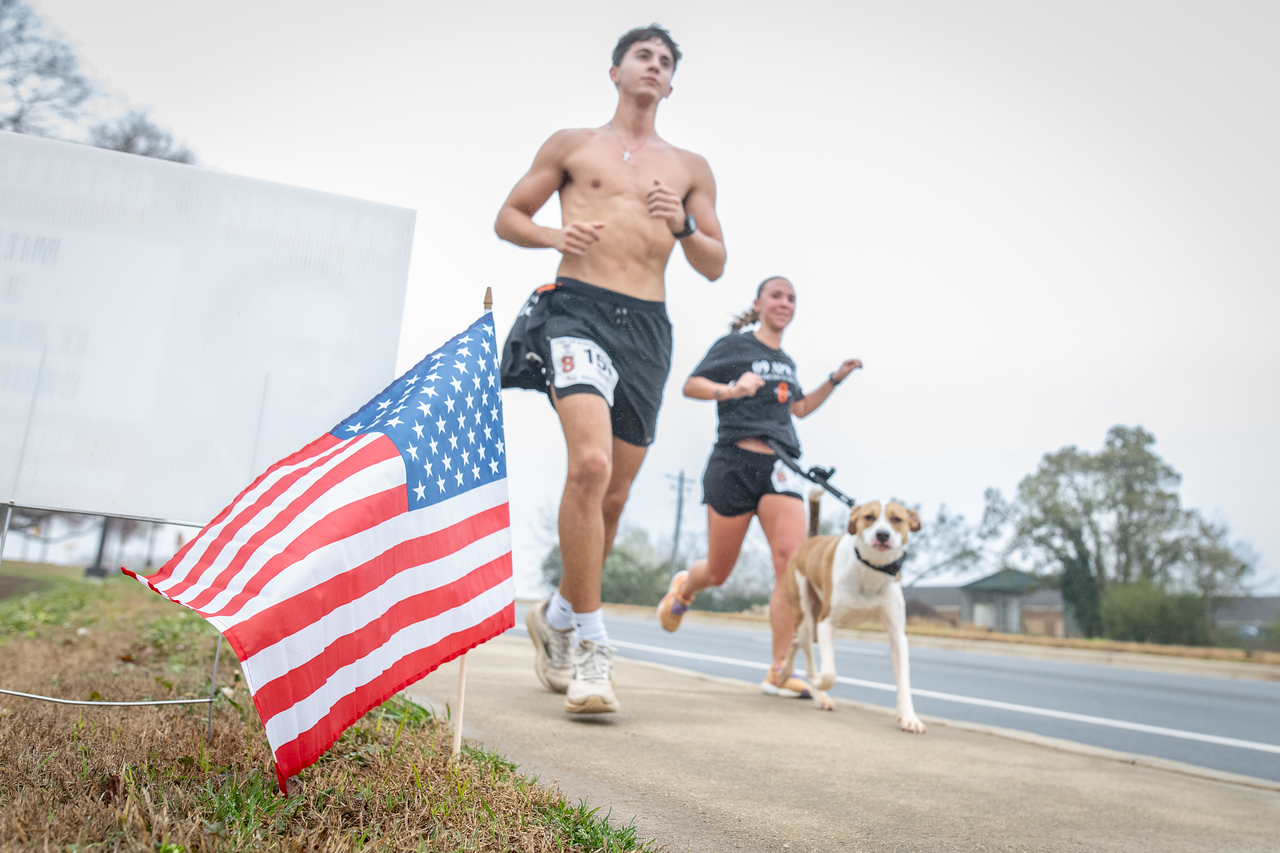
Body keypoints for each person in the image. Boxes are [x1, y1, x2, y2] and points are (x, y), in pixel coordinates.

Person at [496, 24, 726, 715]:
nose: (653, 67)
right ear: (616, 70)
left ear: (671, 83)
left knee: (615, 497)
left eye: (665, 61)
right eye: (643, 56)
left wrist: (683, 225)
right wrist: (551, 235)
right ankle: (592, 647)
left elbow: (716, 262)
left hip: (647, 328)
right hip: (576, 310)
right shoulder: (573, 145)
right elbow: (509, 215)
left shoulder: (690, 166)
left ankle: (560, 613)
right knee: (590, 465)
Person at [657, 276, 861, 697]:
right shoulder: (735, 346)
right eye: (777, 296)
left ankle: (780, 670)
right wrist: (732, 390)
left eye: (791, 298)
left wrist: (835, 379)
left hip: (781, 466)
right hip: (733, 462)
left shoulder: (787, 361)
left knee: (791, 564)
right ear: (759, 303)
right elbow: (691, 386)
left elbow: (800, 408)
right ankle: (685, 587)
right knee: (718, 570)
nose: (785, 303)